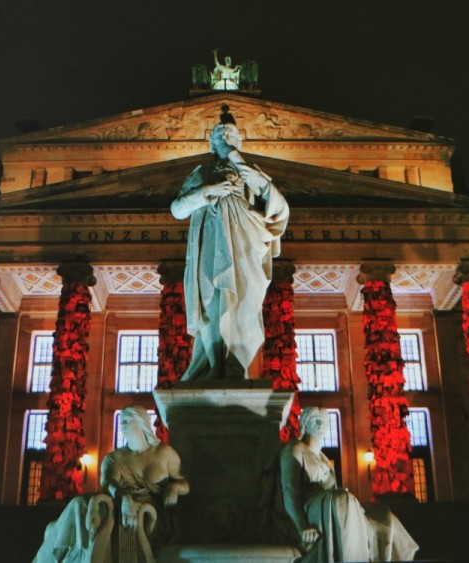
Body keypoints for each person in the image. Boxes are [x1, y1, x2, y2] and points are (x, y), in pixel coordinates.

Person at [171, 106, 289, 381]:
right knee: (213, 303)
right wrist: (208, 191)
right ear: (212, 144)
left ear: (238, 143)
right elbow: (177, 209)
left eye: (230, 137)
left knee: (245, 303)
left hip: (246, 246)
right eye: (219, 137)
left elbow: (280, 209)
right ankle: (214, 367)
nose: (225, 140)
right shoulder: (202, 174)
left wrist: (239, 164)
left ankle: (235, 367)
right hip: (212, 247)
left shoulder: (252, 174)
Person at [264, 408, 419, 562]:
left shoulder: (323, 459)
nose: (321, 424)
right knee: (343, 500)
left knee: (382, 515)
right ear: (305, 424)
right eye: (316, 420)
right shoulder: (295, 449)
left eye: (324, 420)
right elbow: (289, 490)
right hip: (308, 508)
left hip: (326, 506)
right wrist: (301, 526)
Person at [100, 405, 189, 555]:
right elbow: (109, 483)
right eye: (121, 421)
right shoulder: (114, 459)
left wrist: (174, 488)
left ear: (141, 422)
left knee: (140, 516)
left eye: (127, 420)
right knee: (85, 506)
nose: (122, 425)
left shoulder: (165, 453)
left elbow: (184, 483)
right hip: (122, 507)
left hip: (154, 514)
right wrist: (125, 498)